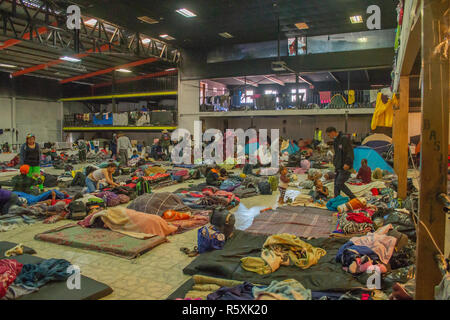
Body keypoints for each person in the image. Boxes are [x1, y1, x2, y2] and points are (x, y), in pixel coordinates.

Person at [326, 127, 356, 199]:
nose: (329, 137)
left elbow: (350, 152)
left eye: (329, 135)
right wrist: (335, 162)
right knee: (336, 184)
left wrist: (348, 163)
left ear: (332, 132)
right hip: (338, 166)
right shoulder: (336, 141)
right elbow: (337, 153)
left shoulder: (344, 139)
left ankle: (353, 197)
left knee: (339, 183)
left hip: (346, 166)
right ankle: (336, 199)